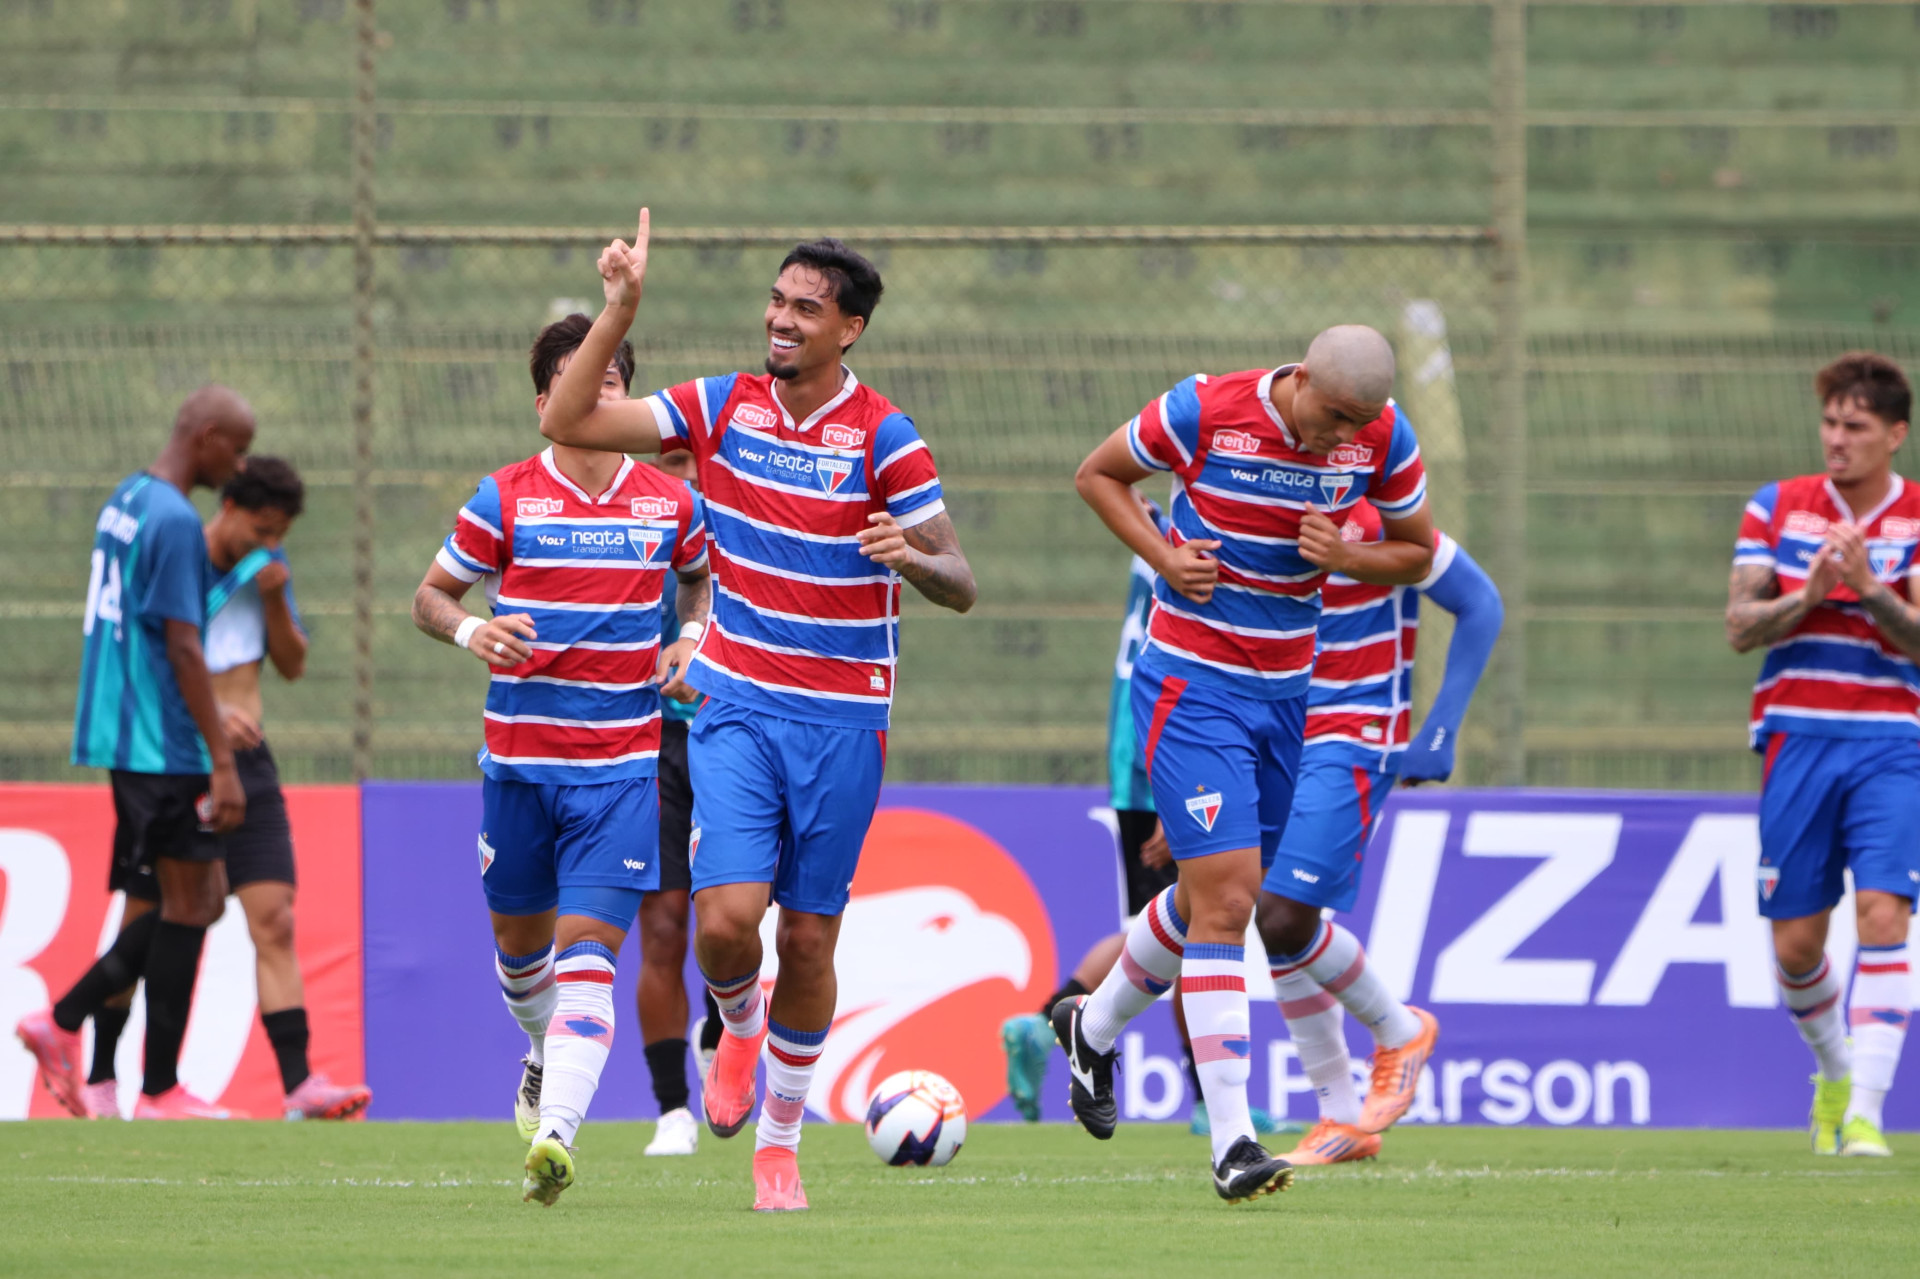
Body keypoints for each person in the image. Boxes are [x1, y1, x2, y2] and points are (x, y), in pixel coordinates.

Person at [538, 210, 977, 1211]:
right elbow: (568, 422)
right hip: (734, 703)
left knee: (812, 942)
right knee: (727, 924)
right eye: (776, 301)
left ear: (849, 329)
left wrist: (913, 558)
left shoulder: (887, 437)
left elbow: (961, 579)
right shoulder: (718, 406)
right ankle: (738, 1024)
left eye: (805, 309)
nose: (781, 321)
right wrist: (618, 310)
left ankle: (778, 1144)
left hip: (844, 720)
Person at [1064, 327, 1433, 1202]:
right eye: (1331, 415)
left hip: (1284, 697)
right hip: (1190, 684)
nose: (1339, 438)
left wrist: (1350, 556)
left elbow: (1417, 549)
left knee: (1203, 900)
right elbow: (1097, 474)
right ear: (1299, 378)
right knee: (1233, 901)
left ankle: (1094, 1030)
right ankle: (1234, 1140)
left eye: (1359, 424)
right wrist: (1162, 554)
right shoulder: (1205, 407)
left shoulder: (1383, 437)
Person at [411, 314, 710, 1205]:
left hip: (622, 772)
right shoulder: (504, 496)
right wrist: (474, 629)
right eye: (581, 381)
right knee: (520, 962)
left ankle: (555, 1138)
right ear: (550, 403)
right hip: (516, 768)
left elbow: (699, 575)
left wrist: (689, 636)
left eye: (613, 380)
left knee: (591, 960)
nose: (599, 394)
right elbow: (430, 595)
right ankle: (542, 1053)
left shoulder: (670, 501)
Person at [75, 459, 374, 1121]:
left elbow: (292, 665)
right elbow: (156, 659)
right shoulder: (178, 554)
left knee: (275, 917)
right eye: (262, 529)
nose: (269, 543)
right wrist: (208, 716)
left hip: (249, 762)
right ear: (228, 507)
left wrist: (273, 594)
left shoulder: (263, 568)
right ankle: (101, 1075)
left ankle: (298, 1084)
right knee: (149, 915)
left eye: (279, 533)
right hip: (179, 761)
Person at [16, 385, 253, 1120]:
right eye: (236, 448)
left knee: (159, 900)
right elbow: (182, 642)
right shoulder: (179, 521)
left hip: (121, 733)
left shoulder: (125, 499)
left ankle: (112, 1077)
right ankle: (92, 1042)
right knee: (199, 900)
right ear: (206, 434)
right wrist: (220, 755)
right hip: (164, 743)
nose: (240, 466)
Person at [1260, 497, 1502, 1165]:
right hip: (1277, 733)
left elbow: (1481, 603)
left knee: (1280, 916)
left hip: (1356, 731)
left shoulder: (1379, 519)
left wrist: (1443, 726)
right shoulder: (1251, 502)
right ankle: (1342, 1118)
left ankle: (1400, 1029)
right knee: (1271, 917)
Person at [1726, 351, 1920, 1159]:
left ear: (1895, 435)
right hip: (1796, 737)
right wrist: (1805, 597)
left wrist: (1873, 590)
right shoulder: (1778, 507)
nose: (1837, 438)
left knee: (1883, 914)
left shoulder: (1915, 519)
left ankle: (1869, 1114)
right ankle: (1835, 1070)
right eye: (1830, 422)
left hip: (1893, 742)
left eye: (1856, 425)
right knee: (1796, 946)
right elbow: (1740, 625)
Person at [635, 446, 708, 1159]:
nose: (680, 474)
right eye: (667, 461)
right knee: (663, 928)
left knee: (732, 918)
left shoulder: (744, 515)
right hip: (651, 744)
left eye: (690, 458)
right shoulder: (631, 520)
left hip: (732, 736)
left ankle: (723, 1027)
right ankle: (671, 1109)